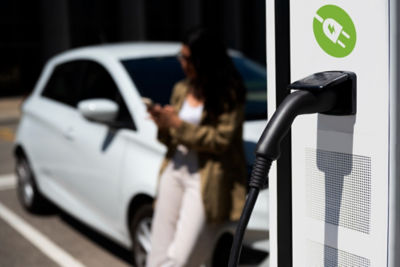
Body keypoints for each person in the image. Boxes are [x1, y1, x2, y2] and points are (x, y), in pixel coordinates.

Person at [146, 27, 247, 267]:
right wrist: (163, 123)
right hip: (174, 168)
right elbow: (169, 139)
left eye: (187, 58)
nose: (182, 62)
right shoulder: (182, 89)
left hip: (207, 178)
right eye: (181, 56)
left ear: (204, 60)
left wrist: (178, 125)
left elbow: (221, 141)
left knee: (184, 259)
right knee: (157, 255)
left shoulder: (229, 93)